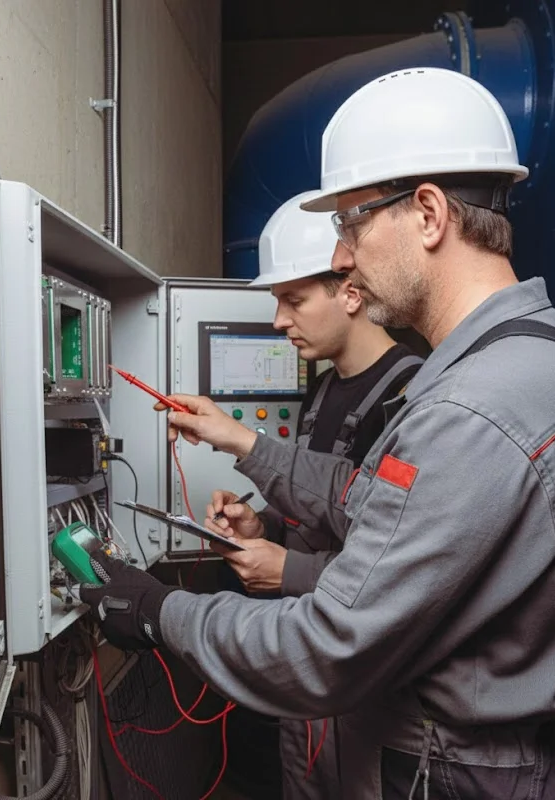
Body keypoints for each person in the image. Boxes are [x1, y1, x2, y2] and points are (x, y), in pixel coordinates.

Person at [82, 68, 555, 799]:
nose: (341, 256)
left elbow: (325, 649)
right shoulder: (532, 358)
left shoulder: (475, 409)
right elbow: (366, 499)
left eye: (350, 221)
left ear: (427, 214)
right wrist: (243, 444)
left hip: (455, 778)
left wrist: (157, 612)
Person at [216, 190, 423, 799]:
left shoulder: (410, 402)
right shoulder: (322, 392)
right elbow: (314, 519)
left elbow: (398, 572)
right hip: (307, 682)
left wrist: (286, 572)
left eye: (293, 299)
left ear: (351, 292)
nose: (279, 320)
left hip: (370, 694)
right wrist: (263, 532)